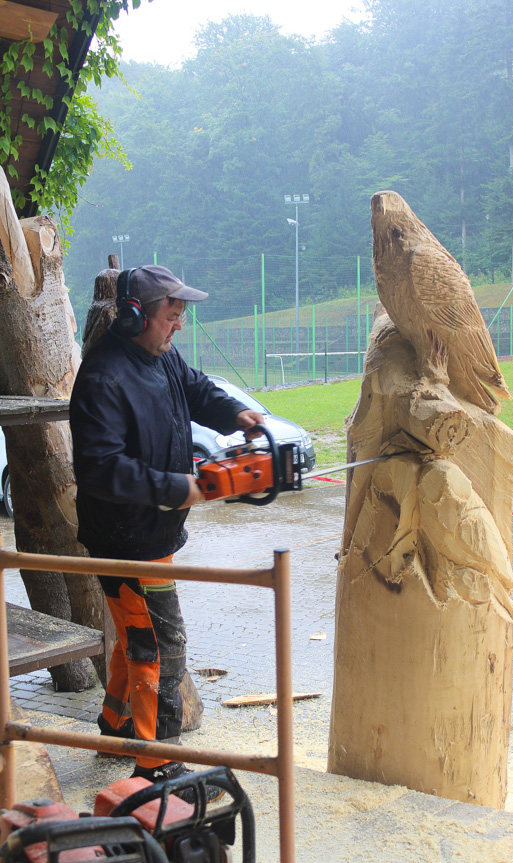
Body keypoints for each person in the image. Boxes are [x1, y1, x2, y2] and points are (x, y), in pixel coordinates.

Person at [69, 265, 265, 801]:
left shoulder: (161, 357)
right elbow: (101, 469)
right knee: (160, 644)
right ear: (135, 316)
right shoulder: (103, 377)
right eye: (171, 316)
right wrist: (178, 487)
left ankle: (115, 729)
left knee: (135, 635)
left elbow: (197, 389)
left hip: (152, 534)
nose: (178, 327)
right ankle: (157, 765)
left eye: (181, 317)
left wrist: (240, 414)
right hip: (123, 538)